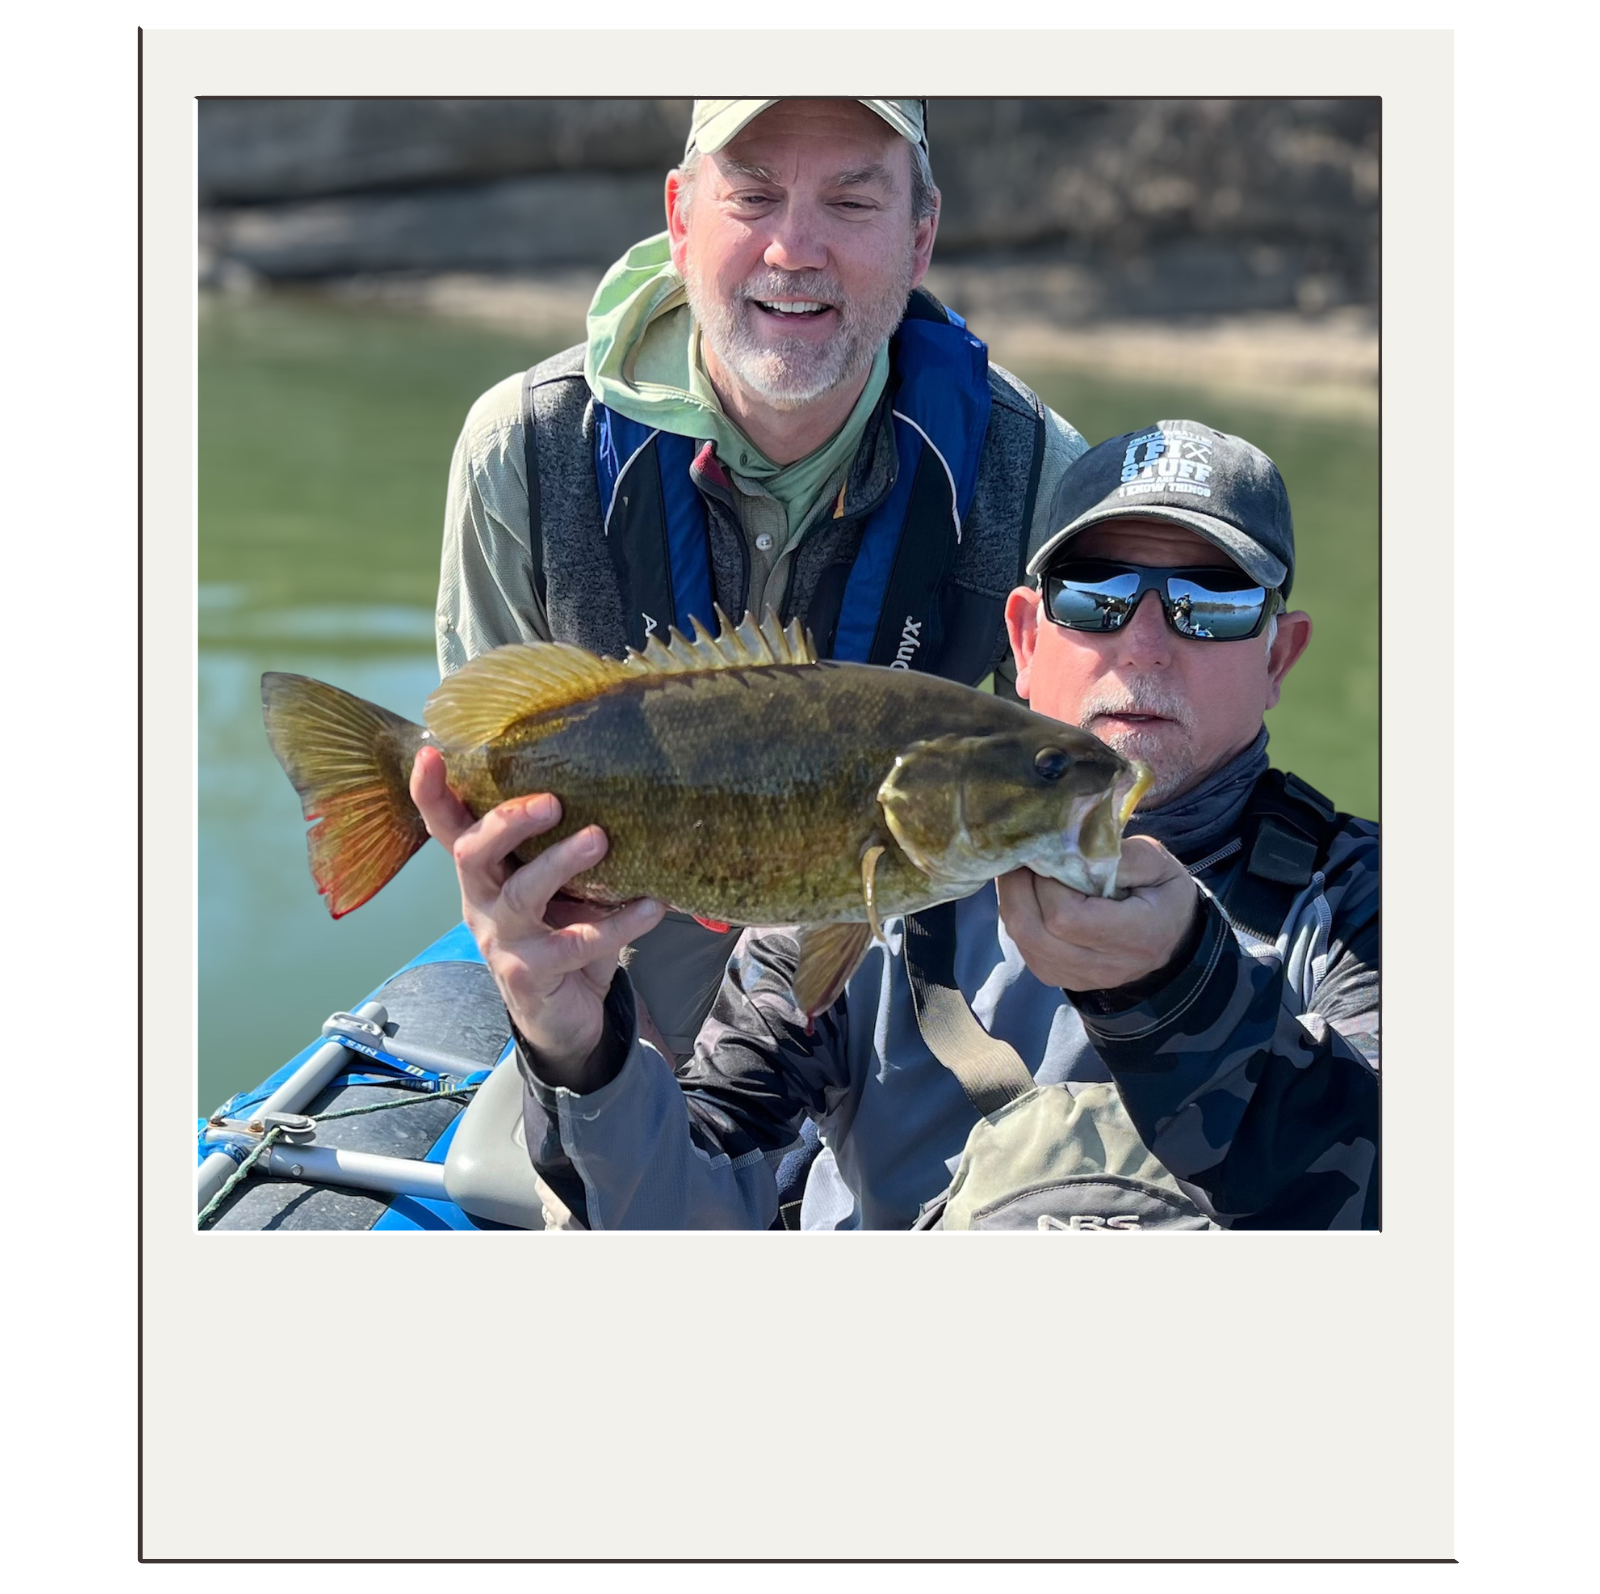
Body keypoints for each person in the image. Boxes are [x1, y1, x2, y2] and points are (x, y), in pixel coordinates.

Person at [410, 418, 1380, 1231]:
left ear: (1280, 652)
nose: (1144, 642)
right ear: (1026, 637)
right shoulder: (847, 914)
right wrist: (583, 1049)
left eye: (1212, 603)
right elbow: (686, 1217)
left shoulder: (1369, 907)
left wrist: (1183, 994)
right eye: (1096, 595)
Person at [431, 97, 1088, 1059]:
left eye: (852, 203)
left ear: (920, 237)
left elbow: (1068, 775)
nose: (793, 249)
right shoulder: (520, 450)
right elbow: (478, 758)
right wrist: (604, 1064)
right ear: (681, 218)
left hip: (905, 982)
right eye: (753, 196)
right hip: (611, 970)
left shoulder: (1033, 472)